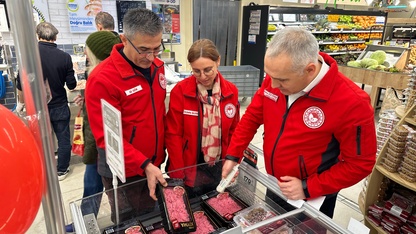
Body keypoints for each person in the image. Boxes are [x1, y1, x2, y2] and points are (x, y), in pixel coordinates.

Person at [221, 27, 376, 218]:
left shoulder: (352, 102)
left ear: (309, 69)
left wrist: (307, 187)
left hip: (314, 195)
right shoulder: (277, 77)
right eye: (270, 76)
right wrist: (233, 155)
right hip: (276, 182)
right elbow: (252, 117)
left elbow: (360, 164)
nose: (273, 85)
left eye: (281, 80)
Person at [85, 8, 167, 222]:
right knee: (130, 223)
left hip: (154, 162)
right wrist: (144, 164)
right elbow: (105, 138)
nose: (150, 57)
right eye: (143, 49)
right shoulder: (103, 79)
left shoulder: (158, 67)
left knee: (152, 218)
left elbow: (158, 113)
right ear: (124, 39)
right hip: (123, 171)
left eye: (156, 48)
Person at [165, 39, 240, 197]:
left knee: (215, 202)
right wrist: (178, 173)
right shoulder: (181, 91)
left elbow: (234, 132)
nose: (203, 76)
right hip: (189, 166)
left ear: (217, 61)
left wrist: (233, 163)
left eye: (208, 70)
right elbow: (173, 134)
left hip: (219, 165)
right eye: (196, 71)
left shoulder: (231, 92)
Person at [16, 22, 76, 181]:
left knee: (39, 139)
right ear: (55, 36)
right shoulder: (65, 57)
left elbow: (20, 84)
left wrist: (21, 104)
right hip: (59, 105)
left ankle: (41, 169)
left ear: (38, 36)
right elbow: (71, 84)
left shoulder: (28, 57)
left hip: (36, 108)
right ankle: (62, 170)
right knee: (63, 139)